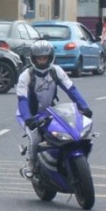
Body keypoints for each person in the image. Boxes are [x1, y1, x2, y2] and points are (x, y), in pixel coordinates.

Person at [15, 40, 92, 178]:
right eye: (39, 58)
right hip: (28, 114)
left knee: (68, 131)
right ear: (33, 58)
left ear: (50, 58)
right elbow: (22, 99)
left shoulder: (56, 71)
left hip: (49, 110)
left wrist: (84, 107)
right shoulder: (26, 75)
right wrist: (28, 119)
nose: (42, 61)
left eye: (45, 58)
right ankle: (30, 165)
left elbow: (71, 89)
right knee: (35, 137)